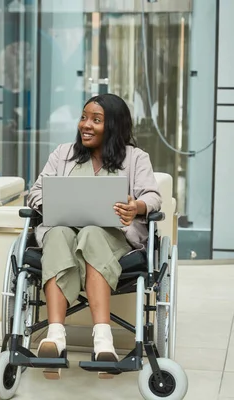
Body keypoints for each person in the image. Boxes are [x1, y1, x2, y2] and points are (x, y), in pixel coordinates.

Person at [26, 93, 162, 378]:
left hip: (113, 238)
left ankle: (103, 341)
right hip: (63, 233)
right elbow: (35, 192)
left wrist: (136, 206)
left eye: (96, 120)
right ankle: (55, 336)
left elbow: (152, 197)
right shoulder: (63, 154)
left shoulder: (135, 158)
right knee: (60, 233)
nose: (85, 125)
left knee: (91, 233)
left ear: (113, 126)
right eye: (84, 117)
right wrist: (52, 202)